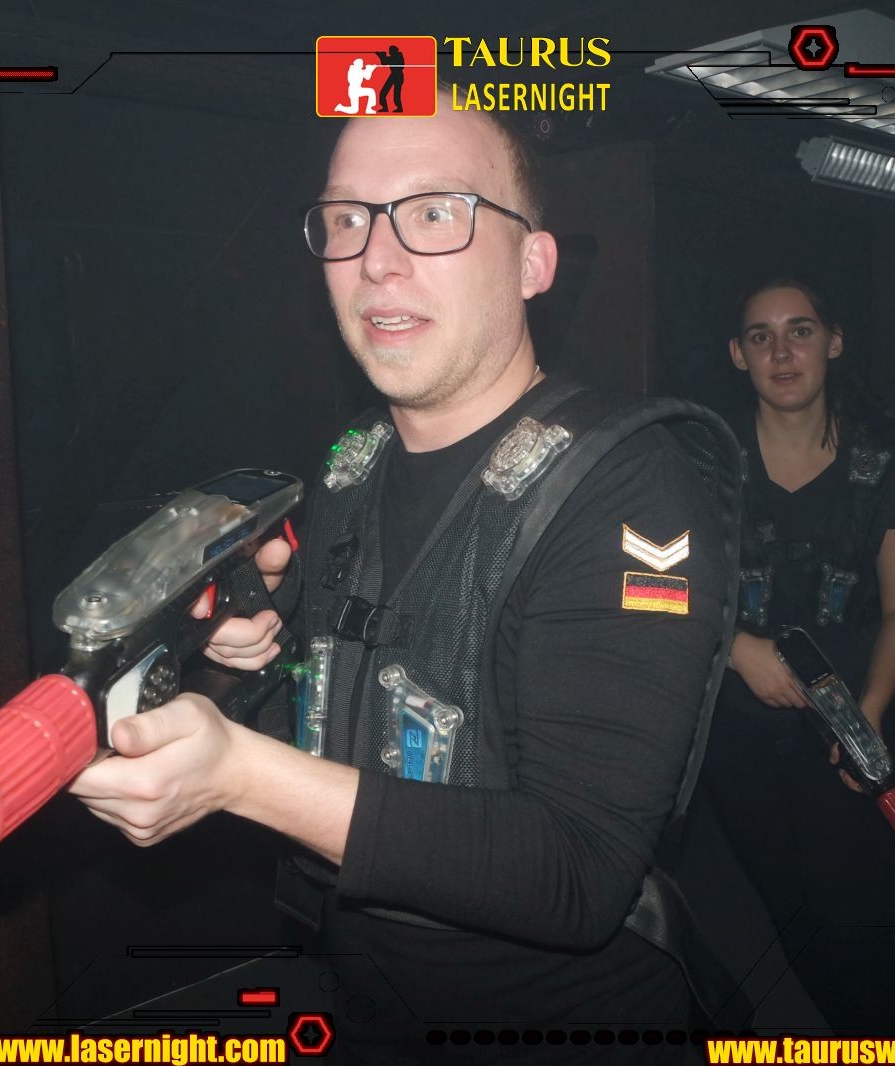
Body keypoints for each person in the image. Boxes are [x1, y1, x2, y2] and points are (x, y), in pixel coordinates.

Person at [68, 91, 742, 1060]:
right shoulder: (355, 462)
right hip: (363, 992)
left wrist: (243, 776)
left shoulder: (627, 487)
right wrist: (231, 667)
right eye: (347, 219)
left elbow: (578, 871)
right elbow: (333, 723)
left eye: (433, 212)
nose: (377, 258)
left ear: (533, 263)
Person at [698, 275, 895, 1033]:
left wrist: (869, 713)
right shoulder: (702, 459)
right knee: (789, 908)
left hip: (846, 718)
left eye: (799, 330)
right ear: (738, 355)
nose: (781, 352)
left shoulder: (883, 460)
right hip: (736, 726)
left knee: (852, 911)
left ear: (833, 343)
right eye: (760, 336)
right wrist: (738, 648)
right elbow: (651, 586)